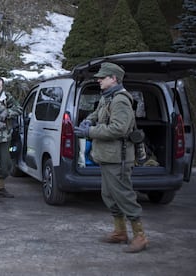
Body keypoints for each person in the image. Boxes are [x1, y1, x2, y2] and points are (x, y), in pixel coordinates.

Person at [74, 62, 149, 253]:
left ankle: (140, 236)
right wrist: (88, 121)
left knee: (124, 196)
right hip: (108, 157)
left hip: (118, 158)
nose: (98, 79)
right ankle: (120, 231)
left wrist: (90, 131)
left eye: (103, 77)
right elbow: (97, 114)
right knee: (109, 195)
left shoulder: (120, 100)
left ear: (114, 79)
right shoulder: (108, 98)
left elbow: (119, 128)